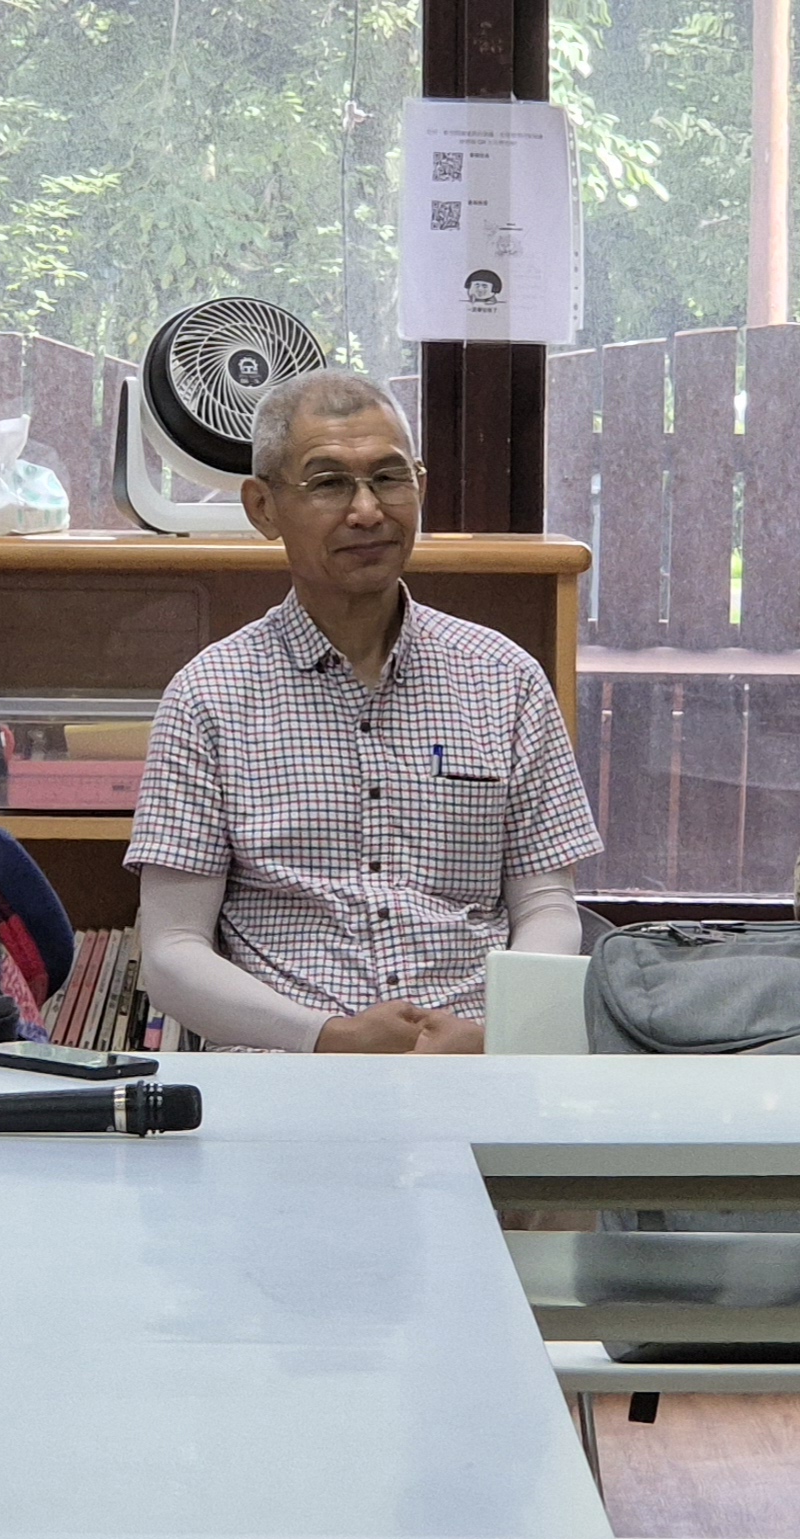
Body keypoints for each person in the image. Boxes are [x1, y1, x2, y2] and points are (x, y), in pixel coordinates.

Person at [128, 368, 602, 1053]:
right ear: (263, 508)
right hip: (285, 1067)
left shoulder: (505, 679)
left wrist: (495, 1035)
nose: (367, 511)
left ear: (420, 487)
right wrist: (327, 1036)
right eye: (328, 483)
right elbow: (172, 948)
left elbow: (547, 906)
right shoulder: (209, 697)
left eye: (388, 478)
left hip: (472, 1060)